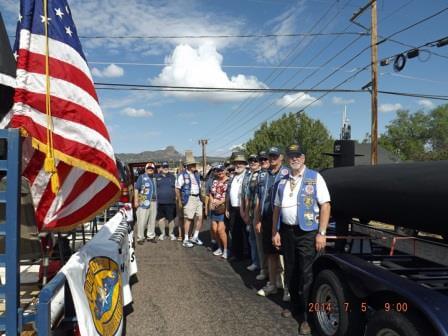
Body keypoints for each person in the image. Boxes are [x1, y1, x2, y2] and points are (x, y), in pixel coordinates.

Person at [272, 143, 331, 335]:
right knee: (291, 270)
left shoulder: (315, 177)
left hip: (307, 233)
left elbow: (325, 205)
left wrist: (321, 233)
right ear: (287, 159)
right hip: (287, 232)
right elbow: (277, 209)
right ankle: (295, 306)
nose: (294, 158)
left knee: (307, 275)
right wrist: (275, 231)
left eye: (298, 155)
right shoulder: (282, 180)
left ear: (304, 158)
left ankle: (307, 317)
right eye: (291, 156)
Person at [255, 146, 289, 296]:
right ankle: (272, 284)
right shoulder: (264, 176)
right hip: (267, 218)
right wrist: (257, 219)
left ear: (281, 157)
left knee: (286, 255)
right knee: (270, 253)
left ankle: (288, 288)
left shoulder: (287, 173)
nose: (272, 158)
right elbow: (259, 199)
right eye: (271, 156)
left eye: (275, 156)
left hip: (285, 219)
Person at [175, 158, 204, 248]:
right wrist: (179, 200)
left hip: (197, 198)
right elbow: (177, 188)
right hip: (189, 197)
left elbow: (199, 187)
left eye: (195, 164)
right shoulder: (182, 175)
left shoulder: (196, 175)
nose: (195, 166)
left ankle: (195, 237)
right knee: (188, 218)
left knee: (200, 217)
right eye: (193, 165)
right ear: (188, 166)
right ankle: (186, 239)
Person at [225, 153, 248, 260]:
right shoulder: (232, 177)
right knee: (234, 231)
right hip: (233, 208)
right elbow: (228, 193)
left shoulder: (248, 176)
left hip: (244, 208)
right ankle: (237, 254)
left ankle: (249, 255)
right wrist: (227, 208)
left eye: (240, 163)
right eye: (236, 163)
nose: (238, 165)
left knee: (247, 232)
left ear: (244, 164)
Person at [242, 154, 261, 272]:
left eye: (255, 160)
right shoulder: (248, 175)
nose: (253, 162)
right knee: (252, 238)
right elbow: (246, 195)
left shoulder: (262, 174)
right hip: (250, 211)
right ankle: (255, 262)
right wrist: (245, 211)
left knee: (259, 241)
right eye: (251, 161)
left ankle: (263, 267)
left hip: (259, 212)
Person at [134, 162, 158, 244]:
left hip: (154, 202)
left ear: (154, 169)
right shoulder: (141, 177)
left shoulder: (155, 178)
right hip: (144, 202)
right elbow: (136, 189)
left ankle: (150, 236)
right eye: (148, 168)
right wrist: (136, 201)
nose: (150, 169)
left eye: (151, 168)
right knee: (142, 220)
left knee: (152, 220)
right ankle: (140, 238)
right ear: (145, 169)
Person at [209, 164, 229, 258]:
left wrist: (220, 202)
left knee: (221, 230)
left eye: (221, 170)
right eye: (218, 170)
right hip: (214, 208)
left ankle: (225, 250)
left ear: (225, 170)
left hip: (223, 208)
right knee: (214, 229)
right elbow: (211, 193)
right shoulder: (215, 181)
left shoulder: (228, 181)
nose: (220, 172)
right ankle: (220, 248)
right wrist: (212, 201)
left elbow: (228, 196)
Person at [155, 161, 177, 240]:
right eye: (164, 167)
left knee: (171, 218)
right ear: (161, 168)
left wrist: (177, 198)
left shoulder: (172, 177)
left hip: (171, 202)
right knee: (161, 218)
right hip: (160, 202)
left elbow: (176, 188)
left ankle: (171, 234)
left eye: (167, 166)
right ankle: (162, 234)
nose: (165, 168)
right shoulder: (156, 177)